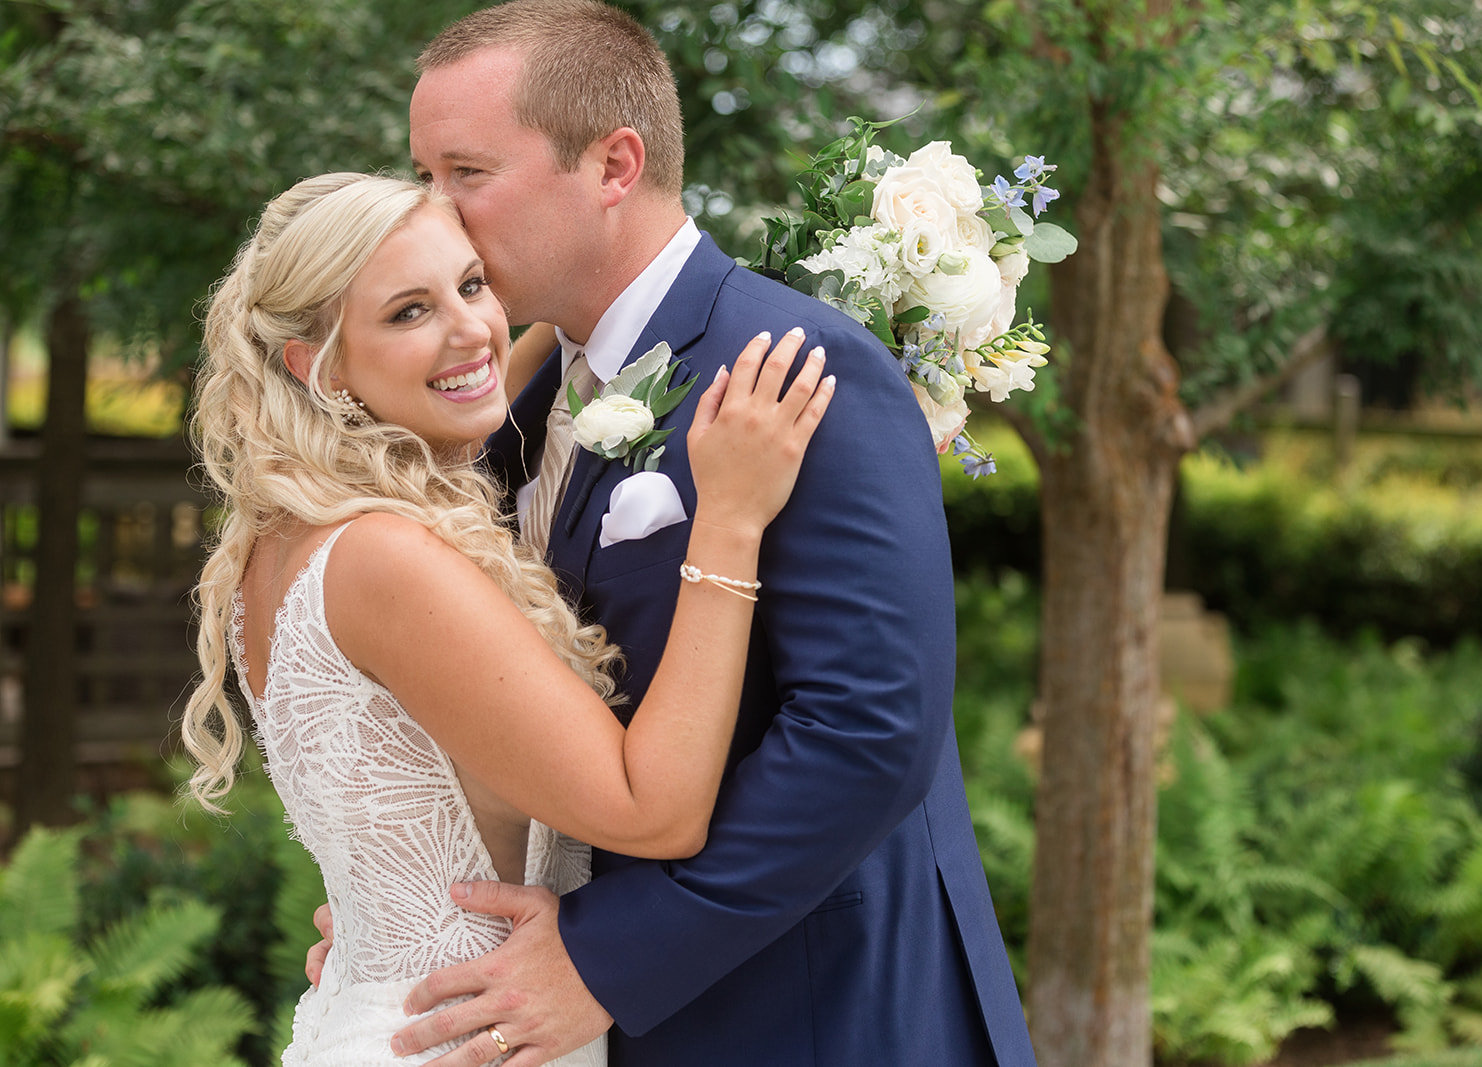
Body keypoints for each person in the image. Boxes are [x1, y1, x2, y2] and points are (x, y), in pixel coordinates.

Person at [329, 2, 1038, 1065]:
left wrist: (608, 959)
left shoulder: (799, 367)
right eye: (421, 174)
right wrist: (409, 909)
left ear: (614, 164)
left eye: (465, 174)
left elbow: (868, 729)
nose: (432, 213)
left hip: (814, 1014)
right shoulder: (512, 414)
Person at [180, 170, 834, 1066]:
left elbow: (520, 348)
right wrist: (730, 518)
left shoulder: (292, 533)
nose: (471, 329)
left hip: (409, 1015)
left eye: (473, 283)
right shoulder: (384, 558)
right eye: (408, 311)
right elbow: (655, 812)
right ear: (317, 366)